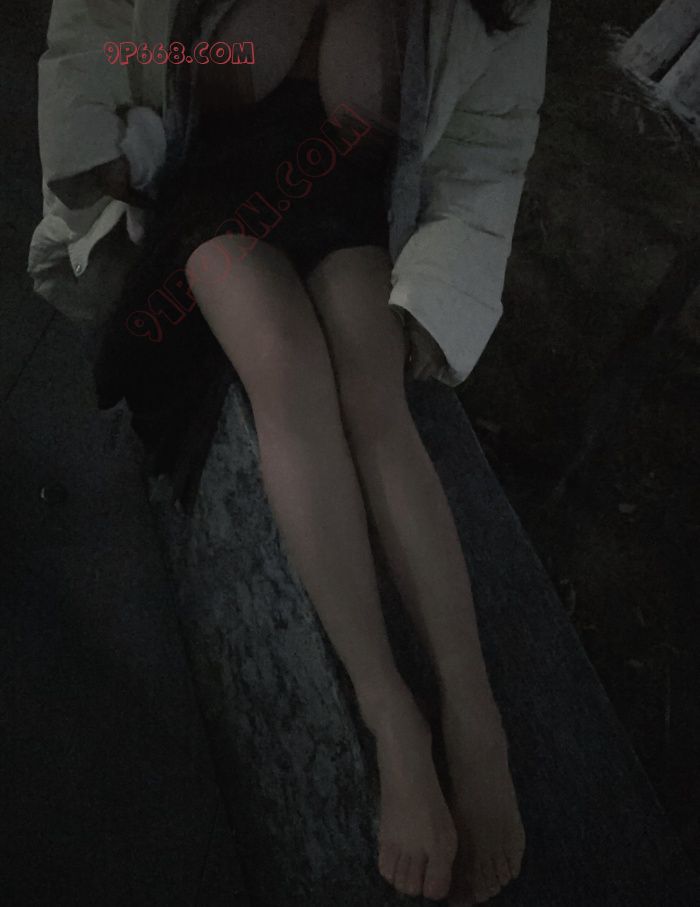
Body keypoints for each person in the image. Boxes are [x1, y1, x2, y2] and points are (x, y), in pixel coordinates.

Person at [28, 0, 550, 903]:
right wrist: (103, 145)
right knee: (283, 361)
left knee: (373, 389)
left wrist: (437, 294)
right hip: (213, 183)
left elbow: (491, 142)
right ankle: (390, 715)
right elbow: (99, 27)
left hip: (348, 192)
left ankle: (476, 718)